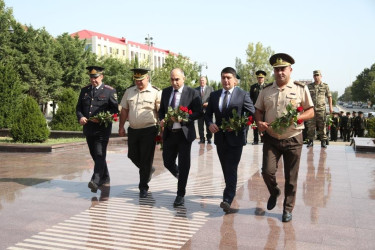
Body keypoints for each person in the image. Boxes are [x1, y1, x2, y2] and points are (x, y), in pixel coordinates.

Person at [255, 53, 314, 222]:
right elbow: (258, 110)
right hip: (272, 138)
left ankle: (288, 208)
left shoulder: (300, 89)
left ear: (290, 70)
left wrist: (299, 117)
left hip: (293, 137)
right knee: (267, 171)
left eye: (283, 69)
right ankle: (274, 191)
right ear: (273, 71)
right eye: (277, 69)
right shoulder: (266, 90)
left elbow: (311, 110)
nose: (280, 72)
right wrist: (259, 122)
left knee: (291, 177)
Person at [205, 67, 255, 213]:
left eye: (228, 77)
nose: (226, 80)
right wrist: (210, 124)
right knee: (225, 168)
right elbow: (207, 115)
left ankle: (227, 199)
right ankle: (229, 193)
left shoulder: (242, 94)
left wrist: (240, 126)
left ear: (235, 80)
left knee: (231, 168)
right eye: (223, 77)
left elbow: (251, 114)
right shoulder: (214, 95)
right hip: (220, 138)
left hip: (236, 139)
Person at [159, 68, 202, 207]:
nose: (174, 82)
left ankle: (180, 194)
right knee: (167, 162)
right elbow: (161, 111)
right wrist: (162, 120)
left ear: (183, 79)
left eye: (177, 79)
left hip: (184, 135)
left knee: (184, 164)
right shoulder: (166, 92)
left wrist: (184, 118)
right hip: (170, 134)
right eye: (172, 79)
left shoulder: (192, 93)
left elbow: (199, 112)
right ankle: (180, 176)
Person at [118, 68, 161, 198]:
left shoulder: (155, 92)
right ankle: (148, 170)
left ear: (147, 78)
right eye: (136, 80)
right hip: (133, 130)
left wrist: (162, 130)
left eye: (141, 80)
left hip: (149, 130)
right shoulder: (129, 91)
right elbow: (124, 110)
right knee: (132, 155)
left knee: (146, 158)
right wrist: (121, 127)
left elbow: (160, 112)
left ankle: (143, 187)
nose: (139, 82)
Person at [76, 66, 118, 193]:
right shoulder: (85, 90)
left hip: (102, 129)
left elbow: (115, 110)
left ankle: (96, 180)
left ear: (102, 77)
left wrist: (102, 118)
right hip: (89, 129)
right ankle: (105, 177)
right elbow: (78, 108)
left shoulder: (110, 91)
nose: (93, 80)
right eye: (91, 77)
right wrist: (81, 117)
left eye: (95, 77)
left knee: (100, 153)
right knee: (95, 154)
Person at [306, 70, 333, 148]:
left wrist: (331, 107)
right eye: (315, 75)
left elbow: (329, 96)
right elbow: (306, 97)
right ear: (313, 77)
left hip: (321, 109)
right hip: (312, 109)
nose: (316, 77)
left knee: (322, 126)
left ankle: (323, 141)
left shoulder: (325, 86)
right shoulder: (309, 86)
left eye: (318, 75)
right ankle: (310, 141)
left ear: (321, 76)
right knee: (311, 126)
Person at [249, 70, 267, 145]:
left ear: (264, 78)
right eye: (259, 78)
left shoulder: (267, 86)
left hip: (265, 109)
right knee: (255, 125)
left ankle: (264, 139)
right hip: (256, 109)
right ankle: (256, 140)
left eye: (262, 78)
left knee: (265, 123)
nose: (260, 79)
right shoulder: (253, 87)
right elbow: (250, 98)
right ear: (257, 78)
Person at [195, 76, 213, 144]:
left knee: (208, 125)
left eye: (203, 80)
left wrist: (208, 103)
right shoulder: (196, 90)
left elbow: (213, 98)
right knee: (200, 126)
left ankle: (209, 138)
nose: (202, 81)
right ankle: (202, 139)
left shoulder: (210, 89)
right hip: (199, 111)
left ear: (206, 81)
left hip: (208, 110)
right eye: (201, 80)